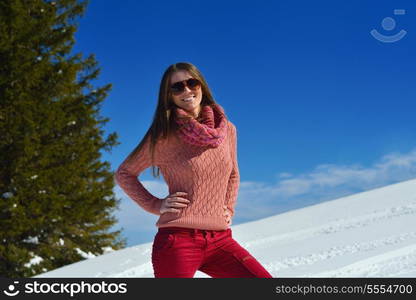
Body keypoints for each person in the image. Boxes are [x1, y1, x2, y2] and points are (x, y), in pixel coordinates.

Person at [114, 62, 273, 278]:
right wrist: (156, 204)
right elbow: (125, 173)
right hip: (178, 241)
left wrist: (228, 207)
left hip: (220, 239)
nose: (187, 91)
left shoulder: (228, 129)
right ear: (168, 95)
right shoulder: (164, 135)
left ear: (201, 86)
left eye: (191, 83)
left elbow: (233, 173)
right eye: (177, 87)